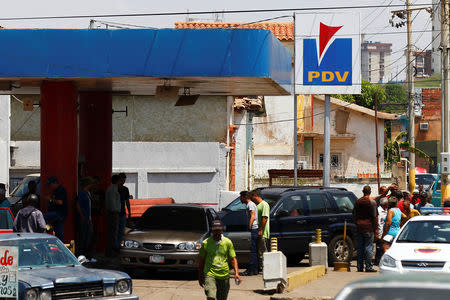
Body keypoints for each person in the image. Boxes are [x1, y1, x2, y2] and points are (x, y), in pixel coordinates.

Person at [198, 220, 241, 300]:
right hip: (210, 274)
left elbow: (233, 259)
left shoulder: (227, 242)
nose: (217, 233)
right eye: (215, 231)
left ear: (222, 230)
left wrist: (237, 273)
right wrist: (200, 276)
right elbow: (201, 260)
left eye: (219, 230)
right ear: (212, 231)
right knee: (210, 296)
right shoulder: (206, 243)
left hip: (224, 275)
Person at [353, 185, 378, 272]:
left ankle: (359, 267)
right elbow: (375, 217)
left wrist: (357, 223)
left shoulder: (357, 201)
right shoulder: (372, 202)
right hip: (369, 227)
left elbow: (354, 215)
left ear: (363, 191)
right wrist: (376, 229)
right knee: (368, 247)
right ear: (370, 192)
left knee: (360, 247)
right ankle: (368, 267)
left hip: (359, 227)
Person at [249, 189, 270, 273]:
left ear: (255, 196)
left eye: (252, 197)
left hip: (262, 232)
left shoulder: (264, 205)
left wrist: (261, 230)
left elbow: (265, 218)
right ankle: (260, 268)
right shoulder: (258, 205)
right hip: (258, 231)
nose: (251, 199)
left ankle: (267, 269)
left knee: (263, 251)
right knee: (259, 252)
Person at [239, 191, 258, 276]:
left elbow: (253, 216)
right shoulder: (251, 204)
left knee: (252, 251)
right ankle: (254, 269)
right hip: (254, 229)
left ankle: (251, 269)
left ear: (245, 197)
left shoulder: (250, 204)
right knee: (253, 250)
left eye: (241, 197)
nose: (240, 199)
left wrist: (249, 227)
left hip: (253, 229)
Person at [43, 177, 68, 242]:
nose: (50, 187)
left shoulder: (61, 190)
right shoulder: (55, 191)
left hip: (59, 214)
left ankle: (44, 231)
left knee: (41, 216)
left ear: (55, 183)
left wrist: (50, 199)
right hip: (56, 215)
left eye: (50, 185)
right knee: (59, 232)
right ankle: (61, 244)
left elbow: (60, 202)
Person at [76, 177, 94, 259]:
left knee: (88, 236)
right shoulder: (82, 193)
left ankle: (85, 252)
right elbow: (78, 205)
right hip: (83, 218)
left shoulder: (88, 193)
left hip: (88, 218)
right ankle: (82, 253)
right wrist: (82, 216)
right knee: (83, 236)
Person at [105, 174, 121, 257]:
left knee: (112, 233)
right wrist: (115, 212)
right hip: (113, 213)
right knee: (112, 233)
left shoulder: (113, 189)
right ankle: (110, 252)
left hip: (113, 213)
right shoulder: (112, 190)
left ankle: (111, 251)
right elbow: (112, 203)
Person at [117, 173, 131, 249]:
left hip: (122, 212)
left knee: (121, 231)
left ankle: (118, 246)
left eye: (124, 180)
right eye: (122, 180)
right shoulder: (115, 189)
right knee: (117, 230)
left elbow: (127, 201)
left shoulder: (125, 189)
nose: (123, 182)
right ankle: (116, 246)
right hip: (116, 212)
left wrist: (129, 212)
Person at [375, 197, 388, 265]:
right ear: (385, 204)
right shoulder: (378, 210)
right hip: (380, 231)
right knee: (379, 247)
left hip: (385, 231)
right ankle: (377, 261)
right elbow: (378, 222)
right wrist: (377, 232)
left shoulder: (387, 210)